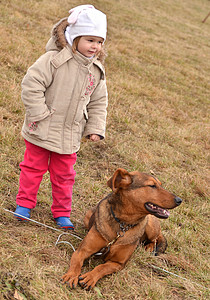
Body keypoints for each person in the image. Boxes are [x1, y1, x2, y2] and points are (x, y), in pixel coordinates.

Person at [14, 5, 108, 230]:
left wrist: (94, 128)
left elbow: (98, 102)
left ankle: (62, 213)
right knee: (33, 168)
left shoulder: (96, 70)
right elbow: (31, 84)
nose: (95, 46)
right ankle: (24, 205)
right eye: (90, 40)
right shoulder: (53, 60)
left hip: (69, 134)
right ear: (75, 38)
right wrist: (39, 114)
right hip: (41, 128)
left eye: (99, 42)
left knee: (65, 175)